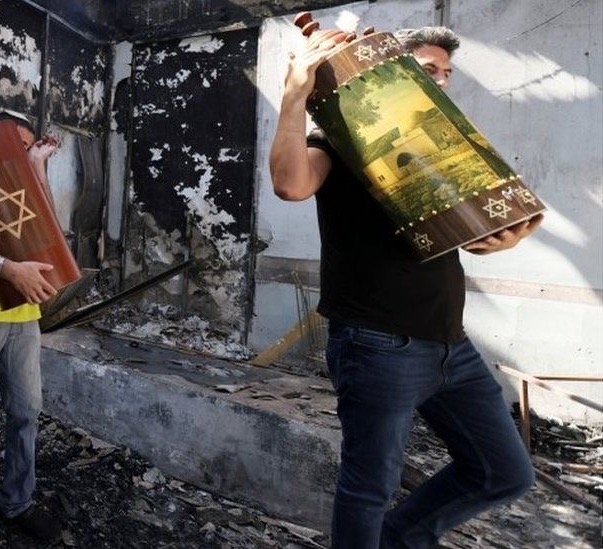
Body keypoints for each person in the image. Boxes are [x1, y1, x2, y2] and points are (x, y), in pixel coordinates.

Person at [270, 26, 544, 549]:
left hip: (451, 346)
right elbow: (290, 184)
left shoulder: (434, 150)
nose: (440, 80)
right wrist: (294, 95)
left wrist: (498, 240)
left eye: (446, 73)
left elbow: (464, 235)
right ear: (387, 70)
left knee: (504, 473)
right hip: (378, 345)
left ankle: (394, 541)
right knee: (369, 488)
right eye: (427, 68)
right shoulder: (340, 139)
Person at [0, 110, 62, 542]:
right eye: (18, 147)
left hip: (22, 318)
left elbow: (49, 230)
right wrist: (8, 268)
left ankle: (17, 502)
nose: (22, 154)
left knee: (25, 412)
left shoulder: (20, 184)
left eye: (28, 148)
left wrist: (39, 166)